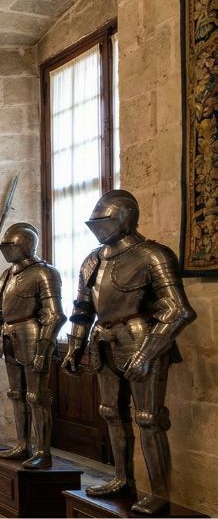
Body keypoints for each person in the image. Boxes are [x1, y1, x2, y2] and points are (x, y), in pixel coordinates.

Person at [61, 191, 196, 515]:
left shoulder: (153, 255)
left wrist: (148, 352)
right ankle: (121, 478)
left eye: (103, 220)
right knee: (111, 412)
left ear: (124, 217)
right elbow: (82, 310)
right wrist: (75, 347)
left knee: (148, 418)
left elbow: (178, 311)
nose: (96, 227)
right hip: (104, 340)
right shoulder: (93, 259)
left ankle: (159, 492)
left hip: (140, 337)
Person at [0, 223, 64, 469]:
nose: (5, 251)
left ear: (25, 245)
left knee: (37, 396)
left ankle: (42, 450)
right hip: (11, 336)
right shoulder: (7, 275)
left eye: (10, 246)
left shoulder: (44, 273)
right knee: (16, 395)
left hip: (33, 335)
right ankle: (23, 444)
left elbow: (55, 315)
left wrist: (44, 348)